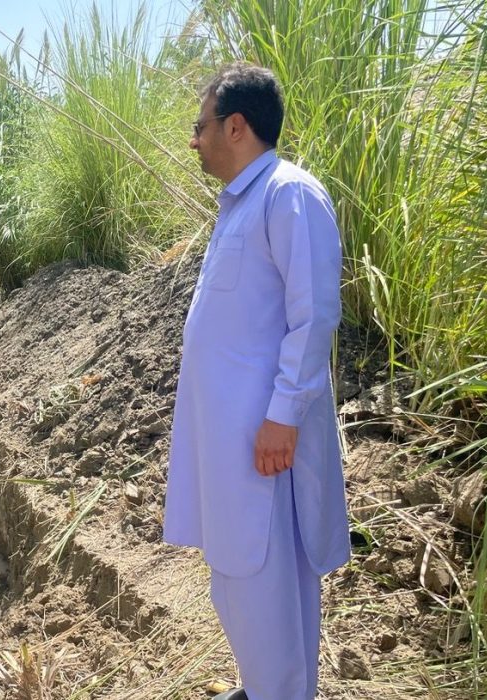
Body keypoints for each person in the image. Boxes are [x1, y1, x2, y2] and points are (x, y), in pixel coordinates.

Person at [162, 64, 350, 700]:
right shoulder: (245, 202)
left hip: (263, 447)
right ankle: (271, 688)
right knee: (246, 582)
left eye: (201, 126)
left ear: (235, 126)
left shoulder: (288, 195)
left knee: (261, 578)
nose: (196, 140)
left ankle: (278, 691)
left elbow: (314, 314)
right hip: (238, 448)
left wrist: (282, 416)